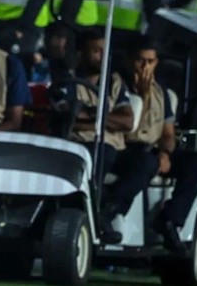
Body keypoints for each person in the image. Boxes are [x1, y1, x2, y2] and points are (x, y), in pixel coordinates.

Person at [55, 32, 153, 243]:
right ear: (81, 54)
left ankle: (109, 209)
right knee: (103, 152)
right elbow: (68, 118)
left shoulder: (114, 82)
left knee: (146, 161)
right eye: (96, 51)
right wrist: (107, 119)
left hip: (114, 147)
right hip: (81, 146)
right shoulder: (67, 81)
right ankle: (91, 212)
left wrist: (93, 115)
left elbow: (127, 121)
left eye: (104, 51)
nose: (102, 56)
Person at [122, 37, 197, 254]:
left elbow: (168, 133)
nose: (145, 66)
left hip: (153, 148)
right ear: (130, 61)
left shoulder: (161, 92)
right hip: (127, 148)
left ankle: (170, 220)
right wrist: (142, 96)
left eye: (150, 61)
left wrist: (165, 152)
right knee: (143, 162)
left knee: (196, 162)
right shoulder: (119, 85)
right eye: (140, 60)